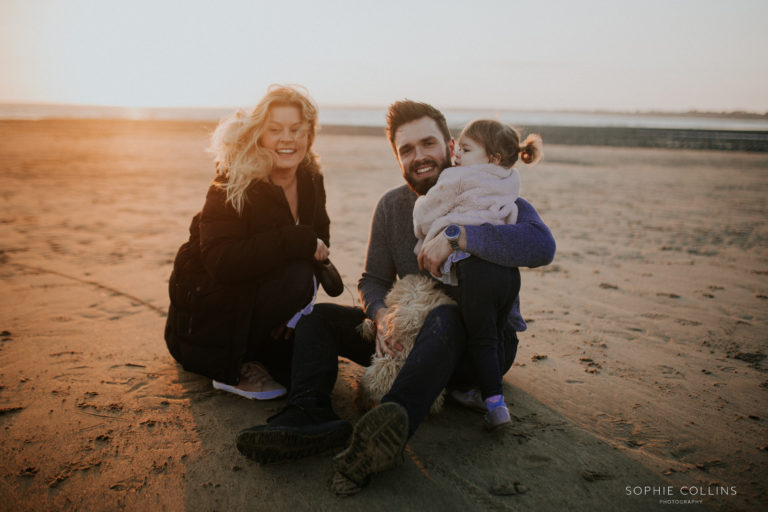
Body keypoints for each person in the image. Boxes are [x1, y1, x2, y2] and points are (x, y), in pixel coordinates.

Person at [235, 100, 556, 494]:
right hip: (407, 335)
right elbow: (371, 280)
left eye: (427, 144)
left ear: (450, 146)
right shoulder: (392, 206)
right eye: (407, 150)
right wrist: (382, 315)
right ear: (397, 157)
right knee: (318, 319)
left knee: (446, 317)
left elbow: (542, 246)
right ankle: (307, 413)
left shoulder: (486, 191)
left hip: (481, 346)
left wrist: (458, 236)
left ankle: (387, 429)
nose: (419, 157)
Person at [164, 85, 333, 401]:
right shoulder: (232, 181)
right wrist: (293, 241)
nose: (287, 139)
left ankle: (262, 345)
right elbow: (221, 262)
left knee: (313, 353)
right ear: (260, 135)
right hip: (206, 317)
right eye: (275, 130)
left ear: (310, 134)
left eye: (297, 129)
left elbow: (319, 239)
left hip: (261, 302)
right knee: (296, 276)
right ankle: (233, 369)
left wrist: (295, 312)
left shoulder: (311, 178)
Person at [412, 119, 543, 428]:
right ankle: (483, 390)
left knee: (481, 338)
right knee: (493, 334)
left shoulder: (457, 178)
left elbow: (425, 216)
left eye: (467, 148)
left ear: (493, 157)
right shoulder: (510, 181)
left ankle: (493, 403)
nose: (457, 153)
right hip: (507, 274)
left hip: (474, 271)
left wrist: (422, 208)